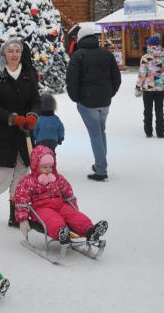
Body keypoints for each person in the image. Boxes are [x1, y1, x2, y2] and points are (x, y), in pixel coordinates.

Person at [0, 37, 40, 227]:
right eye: (11, 51)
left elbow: (36, 100)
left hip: (24, 132)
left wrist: (32, 115)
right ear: (4, 54)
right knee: (6, 173)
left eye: (18, 50)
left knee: (22, 173)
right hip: (2, 131)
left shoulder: (28, 72)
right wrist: (12, 117)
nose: (15, 54)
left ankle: (14, 214)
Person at [15, 146, 108, 243]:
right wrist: (23, 219)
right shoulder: (28, 181)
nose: (48, 169)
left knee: (74, 216)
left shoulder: (58, 178)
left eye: (50, 167)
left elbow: (68, 193)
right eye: (44, 167)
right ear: (36, 166)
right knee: (53, 219)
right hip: (41, 209)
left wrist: (73, 207)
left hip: (60, 205)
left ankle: (90, 230)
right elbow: (21, 200)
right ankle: (62, 233)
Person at [66, 22, 121, 181]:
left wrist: (76, 98)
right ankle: (100, 164)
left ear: (80, 39)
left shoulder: (78, 55)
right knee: (100, 131)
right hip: (104, 101)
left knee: (96, 134)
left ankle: (101, 169)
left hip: (87, 102)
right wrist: (110, 94)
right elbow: (116, 78)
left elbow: (72, 80)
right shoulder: (106, 54)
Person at [135, 35, 164, 138]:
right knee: (159, 111)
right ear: (159, 45)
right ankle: (160, 132)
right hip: (160, 88)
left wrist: (138, 87)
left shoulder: (145, 58)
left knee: (148, 110)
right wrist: (162, 80)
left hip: (148, 88)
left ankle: (148, 132)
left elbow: (142, 74)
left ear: (149, 46)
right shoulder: (163, 57)